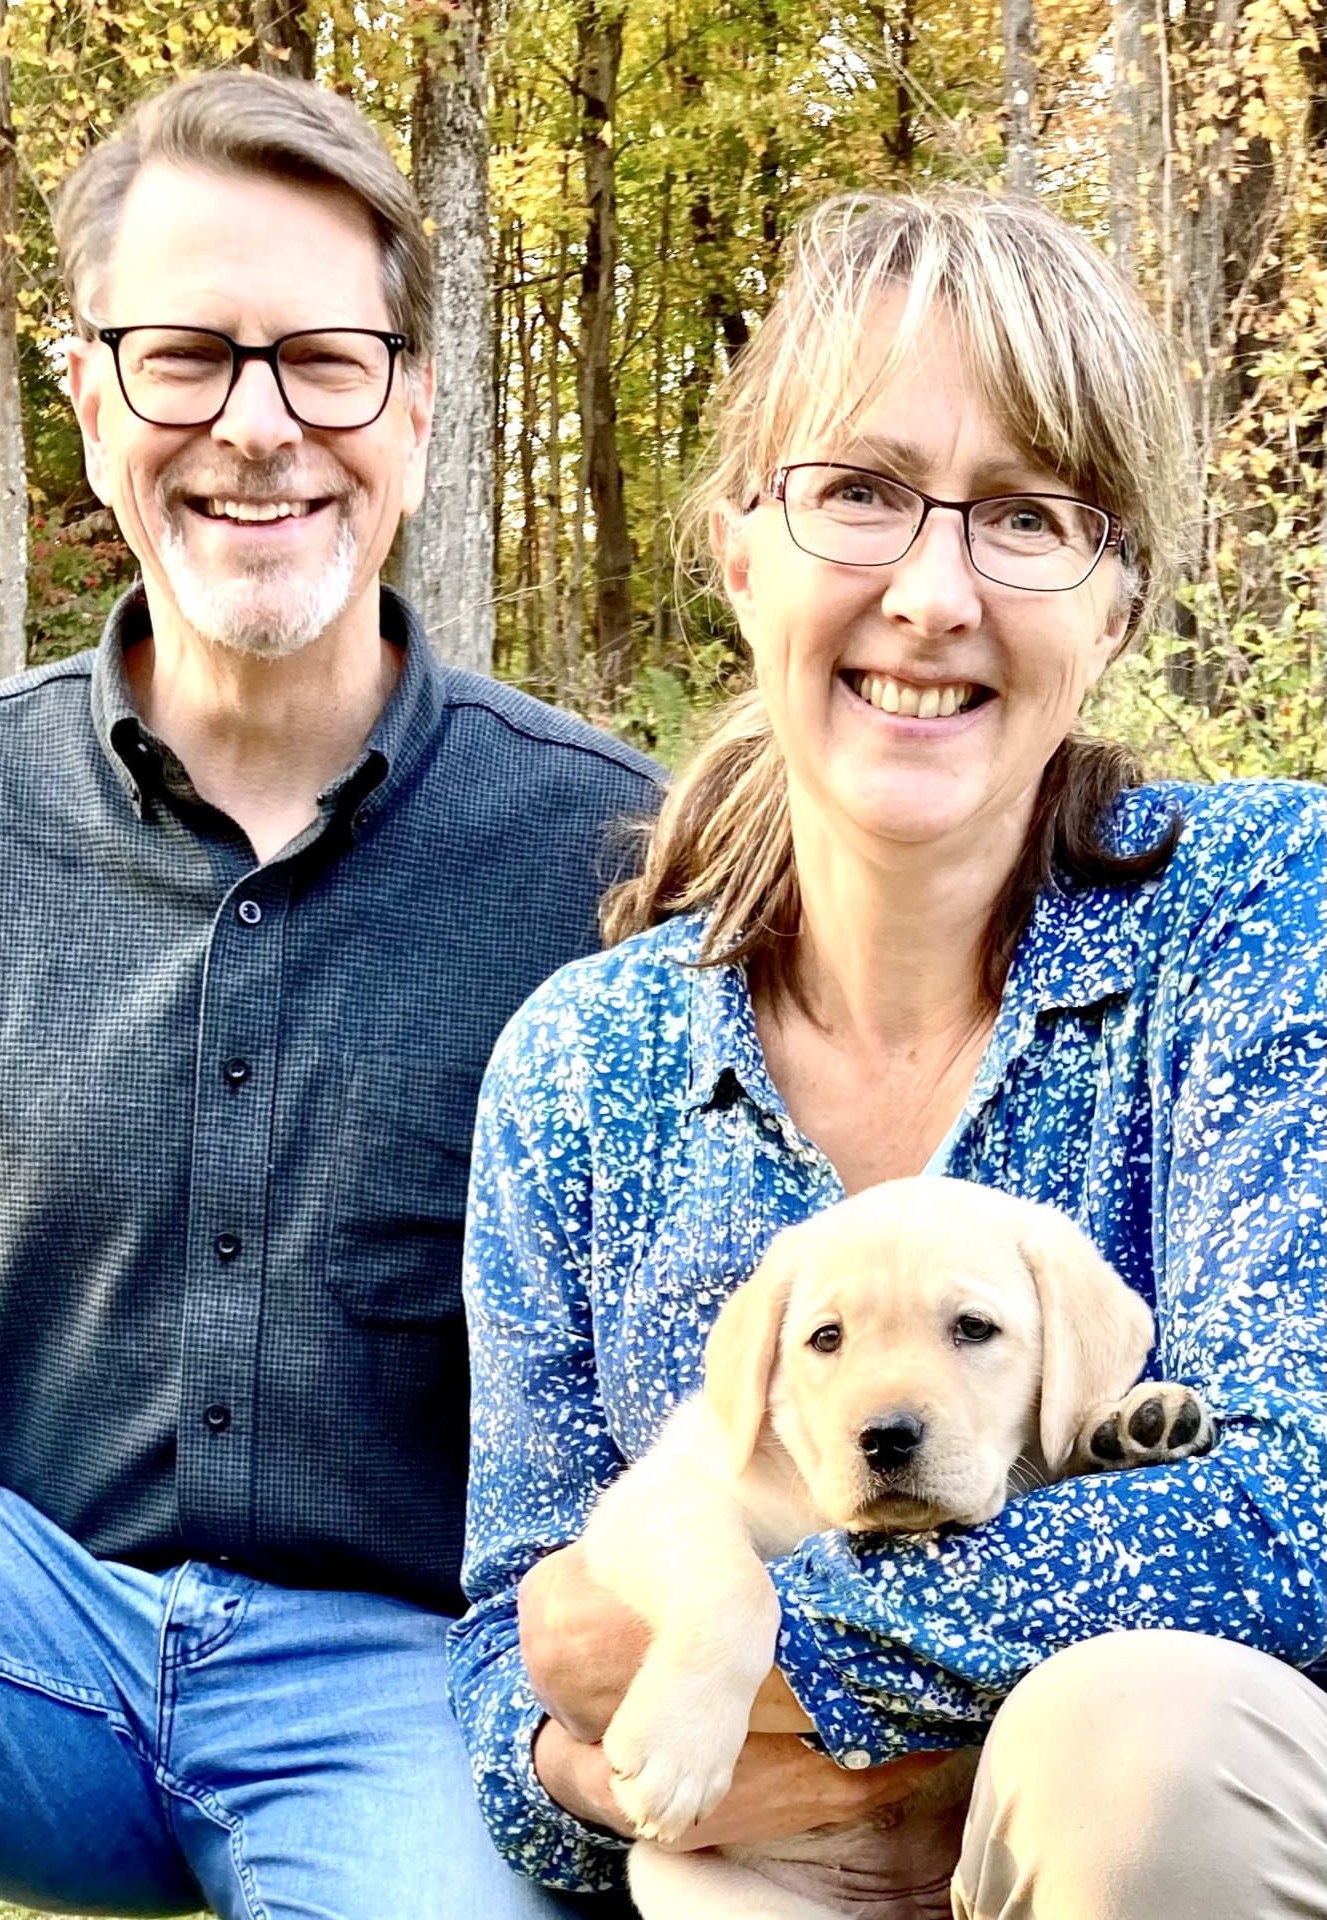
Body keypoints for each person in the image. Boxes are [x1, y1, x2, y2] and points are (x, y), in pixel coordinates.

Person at [450, 188, 1327, 1918]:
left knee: (1134, 1741)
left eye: (1023, 517)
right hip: (762, 1882)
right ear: (736, 554)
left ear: (1120, 601)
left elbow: (1302, 1500)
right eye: (858, 493)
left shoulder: (1264, 916)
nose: (929, 595)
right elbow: (524, 1657)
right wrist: (619, 1762)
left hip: (1181, 1843)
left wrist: (763, 1665)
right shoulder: (582, 1072)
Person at [0, 69, 659, 1920]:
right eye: (184, 357)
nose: (256, 424)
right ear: (82, 393)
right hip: (23, 1632)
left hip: (408, 1693)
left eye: (321, 359)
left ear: (416, 404)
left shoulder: (612, 849)